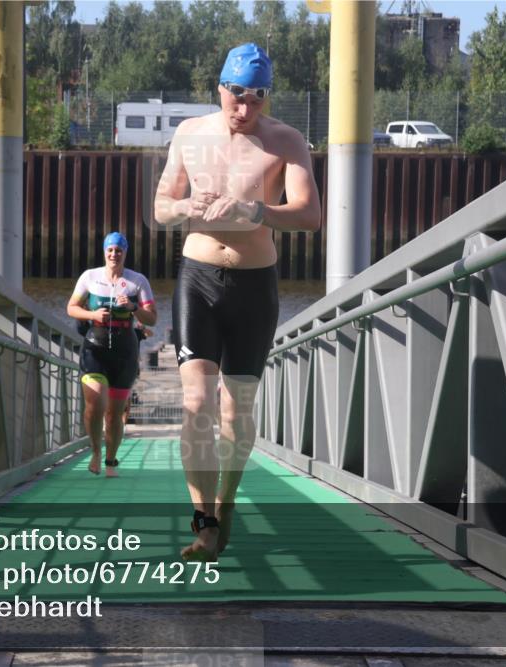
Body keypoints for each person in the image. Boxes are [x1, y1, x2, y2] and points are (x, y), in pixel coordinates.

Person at [154, 43, 321, 560]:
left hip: (254, 285)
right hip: (198, 279)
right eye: (237, 94)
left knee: (235, 409)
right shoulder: (189, 135)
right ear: (220, 88)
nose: (245, 108)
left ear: (268, 98)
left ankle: (226, 501)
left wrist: (257, 210)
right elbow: (160, 209)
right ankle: (203, 520)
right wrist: (185, 206)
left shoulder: (286, 142)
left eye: (258, 98)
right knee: (198, 402)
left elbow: (310, 214)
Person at [67, 232, 157, 477]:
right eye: (110, 250)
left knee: (115, 413)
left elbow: (152, 318)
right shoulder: (90, 277)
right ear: (104, 252)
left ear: (125, 252)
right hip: (94, 347)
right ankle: (95, 452)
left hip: (125, 351)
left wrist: (133, 307)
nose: (114, 254)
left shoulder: (137, 281)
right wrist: (92, 316)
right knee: (94, 405)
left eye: (118, 250)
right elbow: (71, 307)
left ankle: (111, 458)